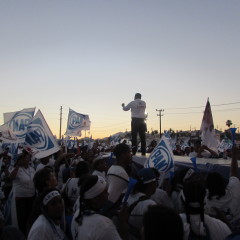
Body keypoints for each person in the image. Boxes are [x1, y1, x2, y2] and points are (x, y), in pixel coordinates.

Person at [71, 175, 127, 240]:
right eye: (105, 192)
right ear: (95, 199)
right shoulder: (105, 225)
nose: (108, 194)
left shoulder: (77, 214)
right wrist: (123, 223)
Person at [180, 174, 232, 240]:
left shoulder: (173, 223)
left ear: (183, 199)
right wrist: (225, 221)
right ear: (204, 200)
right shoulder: (221, 226)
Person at [205, 145, 240, 231]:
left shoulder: (206, 200)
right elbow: (234, 173)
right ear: (224, 183)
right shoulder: (233, 190)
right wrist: (234, 156)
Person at [8, 150, 36, 236]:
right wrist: (17, 166)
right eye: (24, 158)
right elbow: (10, 178)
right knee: (21, 220)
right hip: (20, 199)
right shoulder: (15, 169)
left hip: (31, 198)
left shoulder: (32, 169)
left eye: (27, 158)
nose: (27, 159)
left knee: (30, 218)